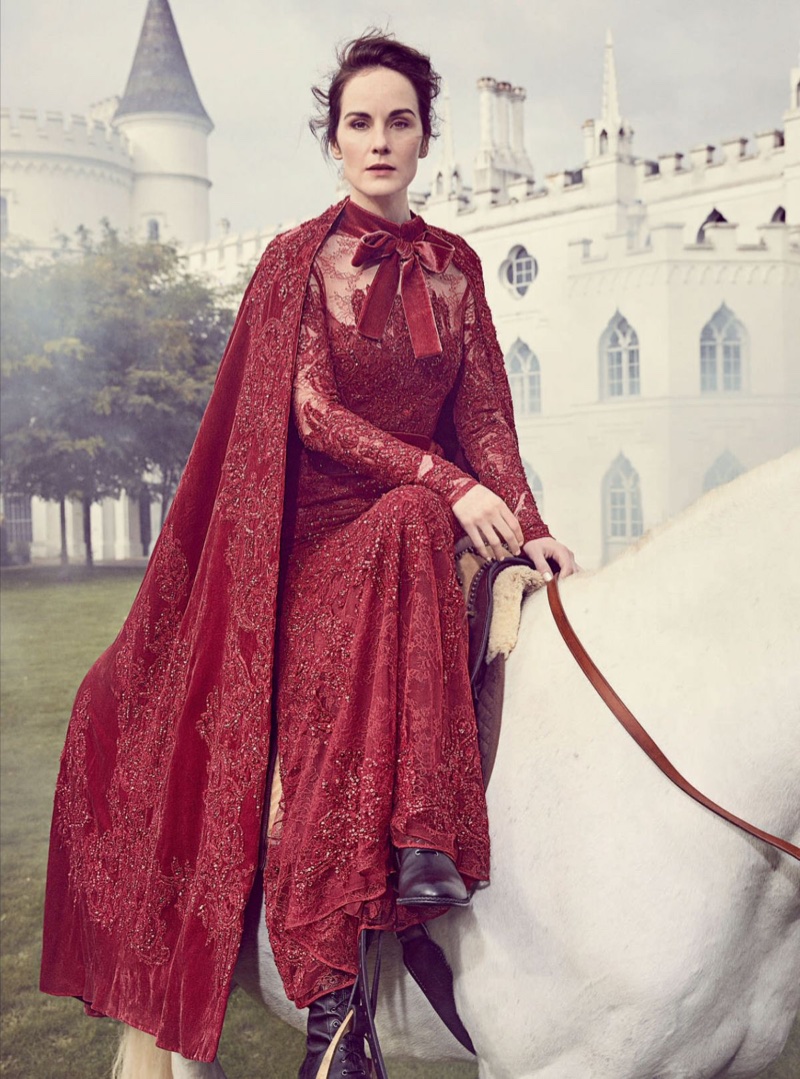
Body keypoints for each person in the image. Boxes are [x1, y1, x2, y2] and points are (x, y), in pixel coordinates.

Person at [40, 30, 576, 1079]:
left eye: (399, 121)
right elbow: (309, 413)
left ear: (425, 136)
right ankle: (336, 994)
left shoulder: (456, 265)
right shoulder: (298, 256)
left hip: (415, 525)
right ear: (332, 141)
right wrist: (444, 482)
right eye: (358, 123)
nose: (379, 141)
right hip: (316, 540)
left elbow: (488, 417)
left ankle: (425, 839)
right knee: (414, 521)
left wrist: (524, 510)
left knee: (438, 536)